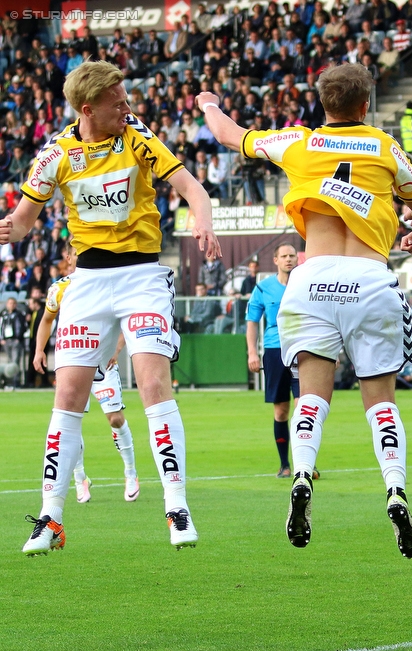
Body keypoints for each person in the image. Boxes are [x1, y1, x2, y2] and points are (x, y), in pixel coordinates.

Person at [197, 63, 412, 558]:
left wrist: (208, 104)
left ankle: (302, 474)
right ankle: (394, 490)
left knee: (312, 397)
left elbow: (227, 134)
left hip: (312, 279)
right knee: (381, 401)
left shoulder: (296, 141)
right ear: (366, 105)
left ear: (322, 103)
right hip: (370, 278)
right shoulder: (387, 147)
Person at [2, 61, 219, 555]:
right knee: (69, 395)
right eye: (118, 102)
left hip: (142, 277)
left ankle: (176, 505)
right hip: (88, 283)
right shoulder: (56, 154)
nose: (128, 108)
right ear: (87, 109)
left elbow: (191, 187)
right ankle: (51, 518)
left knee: (151, 383)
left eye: (127, 99)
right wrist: (9, 229)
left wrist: (202, 220)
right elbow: (21, 222)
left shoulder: (137, 136)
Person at [33, 247, 141, 504]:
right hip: (73, 364)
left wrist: (116, 347)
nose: (81, 255)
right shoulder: (60, 288)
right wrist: (39, 350)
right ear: (68, 257)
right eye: (76, 251)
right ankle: (80, 477)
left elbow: (127, 317)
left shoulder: (108, 283)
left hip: (103, 366)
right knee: (71, 420)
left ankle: (130, 472)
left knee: (115, 419)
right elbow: (47, 320)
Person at [246, 243, 305, 479]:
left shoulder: (306, 285)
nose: (289, 259)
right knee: (281, 411)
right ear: (276, 260)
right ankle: (284, 464)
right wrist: (252, 351)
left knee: (305, 408)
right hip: (274, 351)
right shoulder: (263, 288)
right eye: (284, 256)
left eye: (292, 256)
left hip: (303, 350)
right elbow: (252, 321)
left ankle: (305, 465)